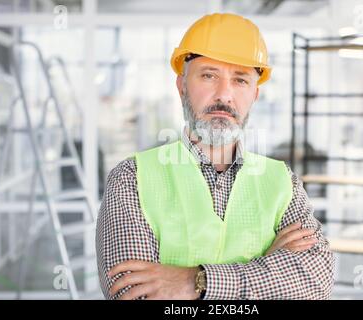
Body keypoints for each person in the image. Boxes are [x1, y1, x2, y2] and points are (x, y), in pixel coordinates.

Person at [96, 12, 335, 300]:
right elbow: (133, 295)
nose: (225, 95)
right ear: (182, 86)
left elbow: (315, 283)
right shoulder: (131, 179)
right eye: (209, 75)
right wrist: (265, 267)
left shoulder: (283, 182)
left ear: (254, 96)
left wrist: (195, 282)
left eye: (240, 80)